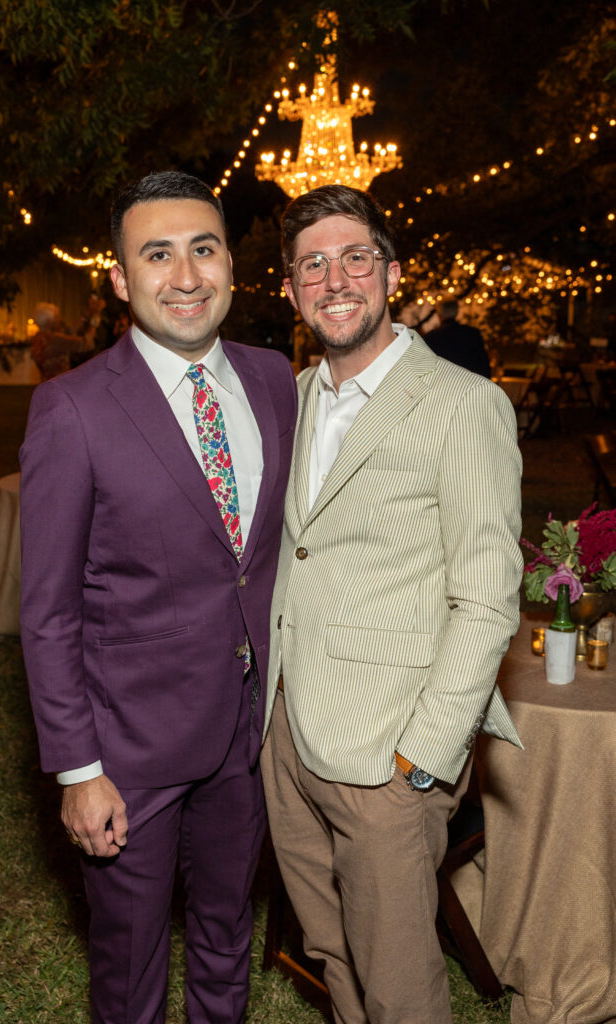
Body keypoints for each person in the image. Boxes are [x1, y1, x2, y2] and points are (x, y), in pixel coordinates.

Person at [20, 171, 297, 1024]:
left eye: (203, 249)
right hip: (129, 748)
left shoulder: (274, 380)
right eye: (156, 254)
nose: (184, 276)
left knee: (226, 929)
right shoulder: (71, 409)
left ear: (231, 265)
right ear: (118, 279)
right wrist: (79, 770)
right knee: (130, 958)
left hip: (249, 733)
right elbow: (48, 611)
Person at [260, 184, 523, 1024]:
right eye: (312, 265)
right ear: (291, 290)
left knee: (397, 978)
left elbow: (486, 598)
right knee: (329, 947)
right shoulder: (288, 400)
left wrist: (423, 758)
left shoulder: (463, 404)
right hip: (284, 728)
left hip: (388, 751)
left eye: (354, 258)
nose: (335, 280)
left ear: (392, 274)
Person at [425, 298, 491, 377]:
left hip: (443, 382)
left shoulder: (431, 337)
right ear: (457, 312)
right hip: (469, 381)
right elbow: (483, 365)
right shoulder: (472, 334)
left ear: (439, 314)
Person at [30, 303, 87, 381]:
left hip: (46, 382)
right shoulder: (53, 339)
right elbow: (84, 343)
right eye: (56, 317)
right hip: (59, 383)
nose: (59, 320)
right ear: (49, 321)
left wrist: (85, 316)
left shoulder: (38, 337)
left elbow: (69, 332)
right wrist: (95, 321)